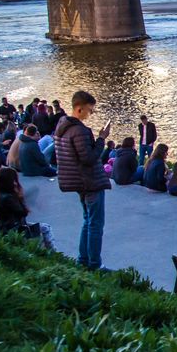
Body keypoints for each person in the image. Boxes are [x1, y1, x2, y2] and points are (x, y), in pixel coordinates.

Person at [54, 91, 112, 271]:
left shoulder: (62, 127)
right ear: (79, 109)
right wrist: (102, 138)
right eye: (89, 110)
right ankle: (95, 264)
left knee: (88, 220)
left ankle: (83, 260)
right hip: (89, 181)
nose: (91, 114)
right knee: (95, 223)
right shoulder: (80, 131)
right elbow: (89, 158)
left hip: (77, 181)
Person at [0, 167, 56, 250]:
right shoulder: (9, 198)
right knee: (46, 229)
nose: (16, 183)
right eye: (14, 180)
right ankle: (53, 253)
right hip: (16, 230)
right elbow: (23, 212)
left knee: (44, 227)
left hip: (8, 228)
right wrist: (19, 197)